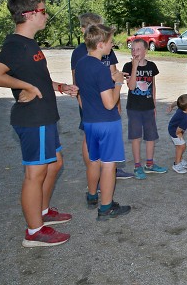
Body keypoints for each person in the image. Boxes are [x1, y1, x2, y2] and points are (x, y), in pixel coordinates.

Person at [0, 0, 77, 247]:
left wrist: (59, 86)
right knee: (35, 174)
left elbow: (37, 79)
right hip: (32, 119)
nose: (46, 14)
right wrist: (24, 88)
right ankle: (33, 231)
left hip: (45, 115)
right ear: (28, 15)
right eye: (42, 10)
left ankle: (42, 211)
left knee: (55, 164)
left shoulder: (30, 44)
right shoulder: (16, 45)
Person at [75, 23, 131, 221]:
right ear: (100, 44)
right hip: (107, 123)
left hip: (89, 122)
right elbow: (109, 103)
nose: (112, 46)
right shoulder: (100, 68)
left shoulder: (81, 64)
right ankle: (106, 207)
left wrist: (110, 78)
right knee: (109, 165)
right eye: (109, 42)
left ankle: (92, 197)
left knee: (94, 161)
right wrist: (117, 83)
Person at [71, 13, 133, 180]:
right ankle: (99, 173)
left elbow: (113, 73)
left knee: (105, 156)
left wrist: (116, 99)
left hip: (108, 101)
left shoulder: (106, 52)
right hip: (96, 108)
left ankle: (105, 173)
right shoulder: (80, 55)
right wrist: (84, 107)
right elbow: (77, 84)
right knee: (94, 149)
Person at [122, 39, 167, 179]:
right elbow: (131, 86)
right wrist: (135, 66)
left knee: (151, 136)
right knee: (136, 137)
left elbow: (152, 86)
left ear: (145, 50)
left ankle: (149, 164)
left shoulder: (152, 66)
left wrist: (154, 104)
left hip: (148, 107)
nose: (135, 52)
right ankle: (137, 166)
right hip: (134, 108)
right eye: (132, 49)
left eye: (138, 49)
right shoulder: (128, 66)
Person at [167, 94, 187, 173]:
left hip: (173, 127)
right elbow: (179, 129)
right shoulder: (186, 117)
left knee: (179, 146)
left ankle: (180, 159)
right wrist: (178, 134)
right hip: (175, 131)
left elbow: (176, 103)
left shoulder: (181, 106)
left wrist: (171, 106)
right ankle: (177, 164)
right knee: (182, 146)